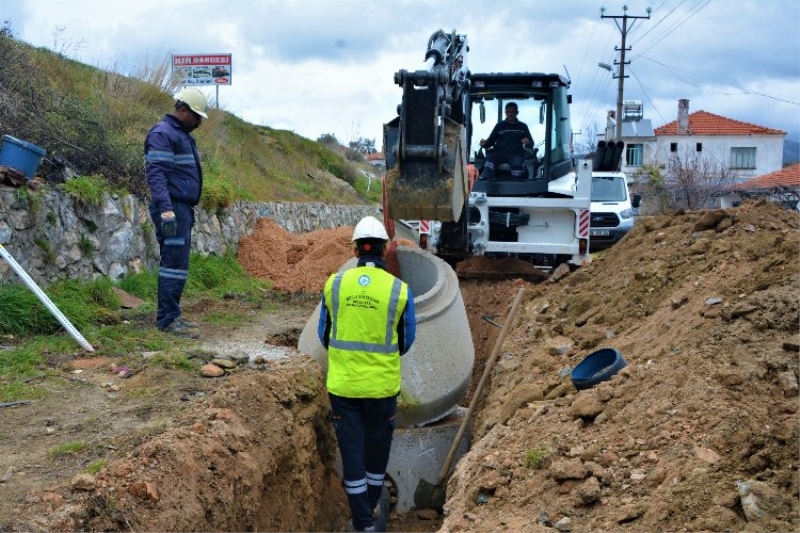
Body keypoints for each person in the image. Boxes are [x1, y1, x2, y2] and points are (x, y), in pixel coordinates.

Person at [317, 216, 416, 533]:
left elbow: (324, 335)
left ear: (356, 250)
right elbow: (406, 341)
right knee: (376, 455)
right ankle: (368, 515)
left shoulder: (335, 284)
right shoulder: (399, 290)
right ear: (385, 250)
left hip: (344, 389)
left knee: (352, 455)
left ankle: (362, 522)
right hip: (382, 390)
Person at [144, 88, 209, 338]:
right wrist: (167, 209)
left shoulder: (179, 134)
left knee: (178, 264)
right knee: (173, 264)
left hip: (180, 207)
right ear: (182, 111)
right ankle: (167, 321)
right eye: (196, 116)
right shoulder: (164, 133)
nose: (200, 122)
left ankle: (172, 316)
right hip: (172, 207)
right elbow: (156, 173)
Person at [479, 101, 534, 180]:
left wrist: (528, 142)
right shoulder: (499, 126)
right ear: (505, 113)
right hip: (500, 154)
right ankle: (487, 183)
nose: (510, 114)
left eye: (513, 112)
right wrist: (484, 143)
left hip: (516, 154)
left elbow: (531, 143)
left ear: (517, 113)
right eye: (508, 112)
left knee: (517, 164)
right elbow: (490, 141)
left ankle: (517, 186)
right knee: (489, 158)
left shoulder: (523, 127)